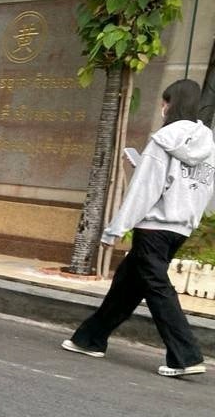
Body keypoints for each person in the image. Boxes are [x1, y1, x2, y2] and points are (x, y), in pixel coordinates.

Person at [62, 79, 215, 377]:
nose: (162, 107)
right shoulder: (208, 145)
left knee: (157, 288)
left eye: (165, 102)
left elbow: (144, 190)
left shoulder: (163, 139)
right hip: (180, 229)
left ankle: (186, 356)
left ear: (171, 104)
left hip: (154, 228)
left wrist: (115, 229)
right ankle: (90, 338)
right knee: (128, 284)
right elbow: (196, 189)